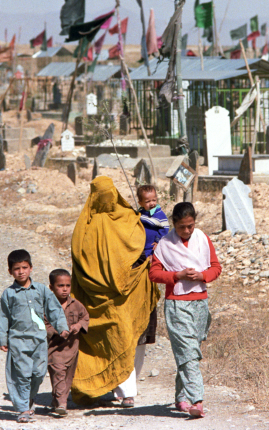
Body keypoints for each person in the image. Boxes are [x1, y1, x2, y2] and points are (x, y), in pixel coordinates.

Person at [70, 176, 160, 406]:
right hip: (99, 298)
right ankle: (120, 390)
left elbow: (141, 243)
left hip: (131, 291)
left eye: (110, 193)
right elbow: (80, 262)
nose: (107, 199)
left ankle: (128, 389)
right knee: (114, 339)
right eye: (101, 194)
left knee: (134, 339)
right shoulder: (85, 227)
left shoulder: (129, 217)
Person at [149, 202, 222, 418]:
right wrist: (176, 276)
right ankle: (197, 400)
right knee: (188, 352)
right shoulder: (164, 244)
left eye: (190, 226)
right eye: (182, 227)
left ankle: (181, 396)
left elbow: (215, 267)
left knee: (190, 350)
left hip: (200, 302)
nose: (187, 231)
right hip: (177, 303)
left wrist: (202, 276)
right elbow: (154, 274)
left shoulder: (202, 239)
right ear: (174, 224)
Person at [112, 185, 170, 407]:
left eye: (154, 200)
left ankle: (129, 387)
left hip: (148, 263)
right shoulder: (136, 216)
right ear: (140, 201)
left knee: (140, 335)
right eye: (147, 201)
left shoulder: (159, 216)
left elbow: (164, 235)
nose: (152, 204)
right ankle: (122, 387)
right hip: (133, 263)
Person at [0, 250, 69, 424]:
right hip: (17, 340)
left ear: (31, 268)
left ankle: (29, 399)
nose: (21, 272)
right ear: (10, 271)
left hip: (39, 340)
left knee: (38, 373)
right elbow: (3, 316)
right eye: (16, 269)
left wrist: (62, 327)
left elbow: (54, 309)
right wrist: (3, 339)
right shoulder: (9, 294)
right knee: (20, 375)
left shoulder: (42, 290)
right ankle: (23, 409)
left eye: (24, 267)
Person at [45, 269, 89, 417]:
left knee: (67, 376)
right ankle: (62, 403)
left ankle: (56, 400)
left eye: (67, 285)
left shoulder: (76, 305)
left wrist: (78, 326)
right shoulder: (47, 306)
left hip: (71, 348)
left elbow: (85, 317)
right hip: (54, 348)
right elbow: (42, 324)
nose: (65, 289)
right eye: (60, 285)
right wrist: (57, 330)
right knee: (58, 372)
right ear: (51, 287)